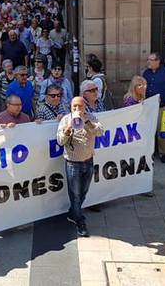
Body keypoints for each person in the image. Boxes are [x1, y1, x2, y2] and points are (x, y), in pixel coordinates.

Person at [57, 96, 105, 237]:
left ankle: (72, 213)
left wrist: (88, 122)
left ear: (85, 107)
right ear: (71, 108)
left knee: (83, 192)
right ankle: (80, 222)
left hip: (88, 161)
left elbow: (100, 131)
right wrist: (68, 129)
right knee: (75, 195)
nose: (78, 109)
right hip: (73, 163)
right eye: (74, 107)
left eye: (80, 106)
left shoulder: (91, 117)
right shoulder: (66, 120)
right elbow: (60, 141)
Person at [142, 52, 165, 163]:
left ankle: (164, 154)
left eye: (151, 60)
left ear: (157, 61)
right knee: (148, 131)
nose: (148, 62)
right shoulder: (146, 73)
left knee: (161, 131)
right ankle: (149, 153)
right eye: (148, 59)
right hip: (148, 107)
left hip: (161, 107)